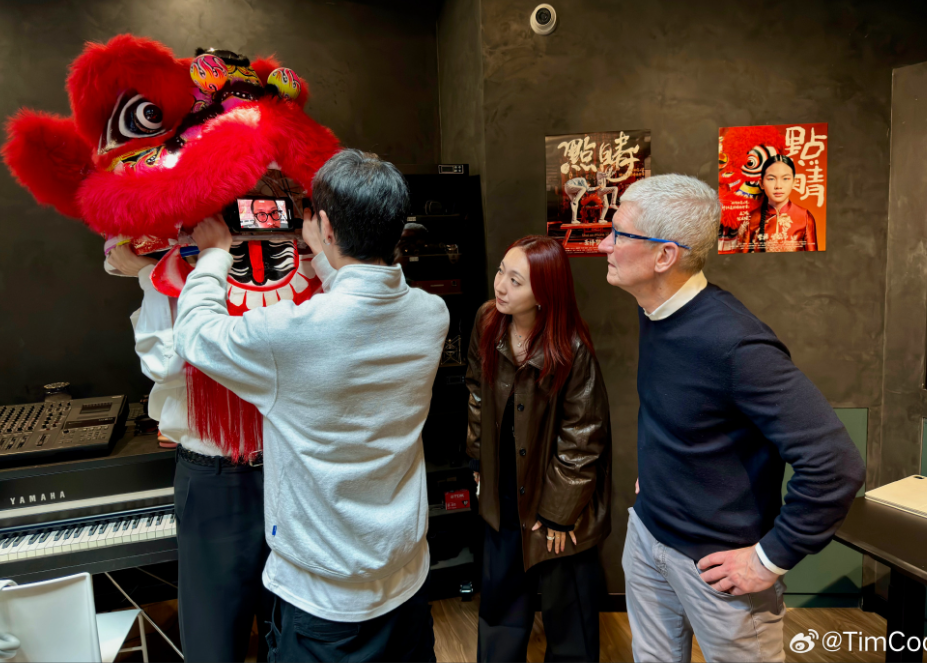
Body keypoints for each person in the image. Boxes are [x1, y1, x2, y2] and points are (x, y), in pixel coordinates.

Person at [173, 149, 448, 663]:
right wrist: (323, 252)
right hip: (407, 583)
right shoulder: (432, 315)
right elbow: (367, 296)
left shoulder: (288, 337)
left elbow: (194, 334)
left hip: (323, 607)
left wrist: (213, 256)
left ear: (324, 225)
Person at [598, 174, 864, 663]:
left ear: (664, 256)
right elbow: (685, 416)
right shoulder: (653, 308)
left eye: (618, 234)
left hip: (718, 569)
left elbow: (835, 464)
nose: (603, 245)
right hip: (648, 537)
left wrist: (770, 558)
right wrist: (659, 477)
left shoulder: (735, 343)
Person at [106, 244, 273, 663]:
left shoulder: (279, 265)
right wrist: (152, 275)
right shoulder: (175, 267)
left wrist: (150, 276)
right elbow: (168, 363)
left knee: (289, 629)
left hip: (282, 467)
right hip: (218, 474)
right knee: (215, 637)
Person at [465, 235, 611, 663]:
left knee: (569, 615)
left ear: (544, 293)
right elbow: (476, 392)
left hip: (555, 499)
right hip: (504, 490)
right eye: (501, 272)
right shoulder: (487, 321)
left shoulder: (571, 347)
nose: (501, 286)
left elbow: (583, 436)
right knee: (500, 605)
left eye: (516, 281)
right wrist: (478, 457)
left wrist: (558, 514)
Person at [741, 154, 818, 252]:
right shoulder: (749, 220)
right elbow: (741, 259)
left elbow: (813, 258)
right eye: (771, 178)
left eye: (785, 178)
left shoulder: (805, 217)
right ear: (761, 183)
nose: (778, 186)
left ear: (794, 182)